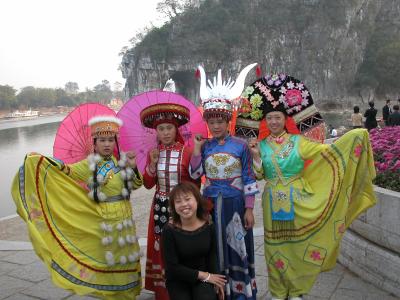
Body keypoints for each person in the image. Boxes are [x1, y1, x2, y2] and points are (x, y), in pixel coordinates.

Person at [245, 75, 377, 300]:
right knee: (273, 248)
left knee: (298, 247)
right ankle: (277, 291)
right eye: (270, 118)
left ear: (285, 119)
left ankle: (297, 290)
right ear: (265, 121)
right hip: (271, 202)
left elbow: (327, 153)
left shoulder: (299, 143)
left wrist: (353, 137)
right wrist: (256, 156)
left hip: (297, 199)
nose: (274, 122)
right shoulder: (261, 146)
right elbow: (258, 175)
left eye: (278, 117)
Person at [11, 116, 143, 299]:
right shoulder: (89, 165)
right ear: (95, 143)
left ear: (115, 142)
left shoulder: (120, 162)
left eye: (110, 140)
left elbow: (136, 185)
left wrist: (133, 167)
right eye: (102, 140)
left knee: (127, 256)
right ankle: (113, 294)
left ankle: (129, 293)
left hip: (126, 218)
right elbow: (67, 171)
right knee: (110, 261)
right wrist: (42, 160)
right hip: (105, 219)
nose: (107, 144)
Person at [190, 64, 259, 300]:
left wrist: (249, 208)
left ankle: (240, 293)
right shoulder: (205, 146)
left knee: (237, 246)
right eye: (212, 122)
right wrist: (197, 150)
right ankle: (217, 291)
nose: (216, 126)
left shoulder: (240, 145)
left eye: (220, 121)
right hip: (210, 206)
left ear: (227, 120)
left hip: (235, 206)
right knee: (212, 249)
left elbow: (249, 177)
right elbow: (194, 174)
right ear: (207, 122)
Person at [141, 103, 200, 300]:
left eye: (169, 128)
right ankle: (163, 291)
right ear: (156, 132)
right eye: (161, 129)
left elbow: (195, 183)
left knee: (182, 247)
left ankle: (184, 287)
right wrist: (152, 165)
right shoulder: (154, 154)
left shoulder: (187, 152)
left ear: (176, 129)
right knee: (161, 247)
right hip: (159, 206)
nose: (165, 133)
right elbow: (148, 184)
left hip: (182, 207)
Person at [161, 182, 226, 300]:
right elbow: (172, 267)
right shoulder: (169, 230)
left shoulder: (208, 225)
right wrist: (204, 275)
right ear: (173, 206)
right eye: (178, 201)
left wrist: (217, 280)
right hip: (178, 279)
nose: (184, 204)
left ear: (197, 200)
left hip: (203, 278)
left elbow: (212, 255)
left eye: (187, 199)